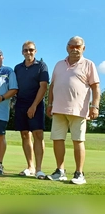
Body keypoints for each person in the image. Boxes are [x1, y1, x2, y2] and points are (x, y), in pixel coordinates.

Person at [45, 36, 100, 185]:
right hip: (58, 108)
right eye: (71, 46)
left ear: (83, 48)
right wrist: (49, 104)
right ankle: (60, 171)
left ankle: (79, 173)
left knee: (78, 141)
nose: (74, 49)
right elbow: (52, 86)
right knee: (57, 139)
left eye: (78, 46)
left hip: (79, 109)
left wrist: (94, 106)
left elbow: (95, 87)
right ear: (67, 47)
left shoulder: (89, 64)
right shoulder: (58, 64)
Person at [14, 41, 49, 179]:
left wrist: (34, 105)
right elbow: (14, 87)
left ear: (35, 51)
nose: (28, 52)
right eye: (26, 50)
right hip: (21, 104)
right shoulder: (17, 68)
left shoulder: (41, 65)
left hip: (37, 103)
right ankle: (30, 166)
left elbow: (44, 86)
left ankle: (39, 169)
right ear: (22, 52)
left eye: (31, 50)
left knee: (38, 134)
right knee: (24, 134)